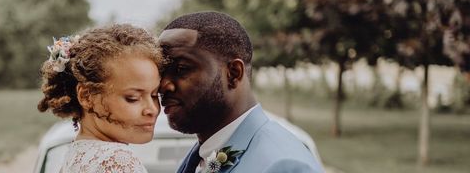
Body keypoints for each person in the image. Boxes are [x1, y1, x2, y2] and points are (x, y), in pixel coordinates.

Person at [159, 11, 323, 173]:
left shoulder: (286, 166)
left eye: (181, 69)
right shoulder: (202, 154)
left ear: (233, 73)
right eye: (161, 72)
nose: (163, 85)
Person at [38, 23, 163, 173]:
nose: (153, 109)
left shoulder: (76, 157)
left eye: (155, 95)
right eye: (133, 98)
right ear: (87, 97)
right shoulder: (117, 161)